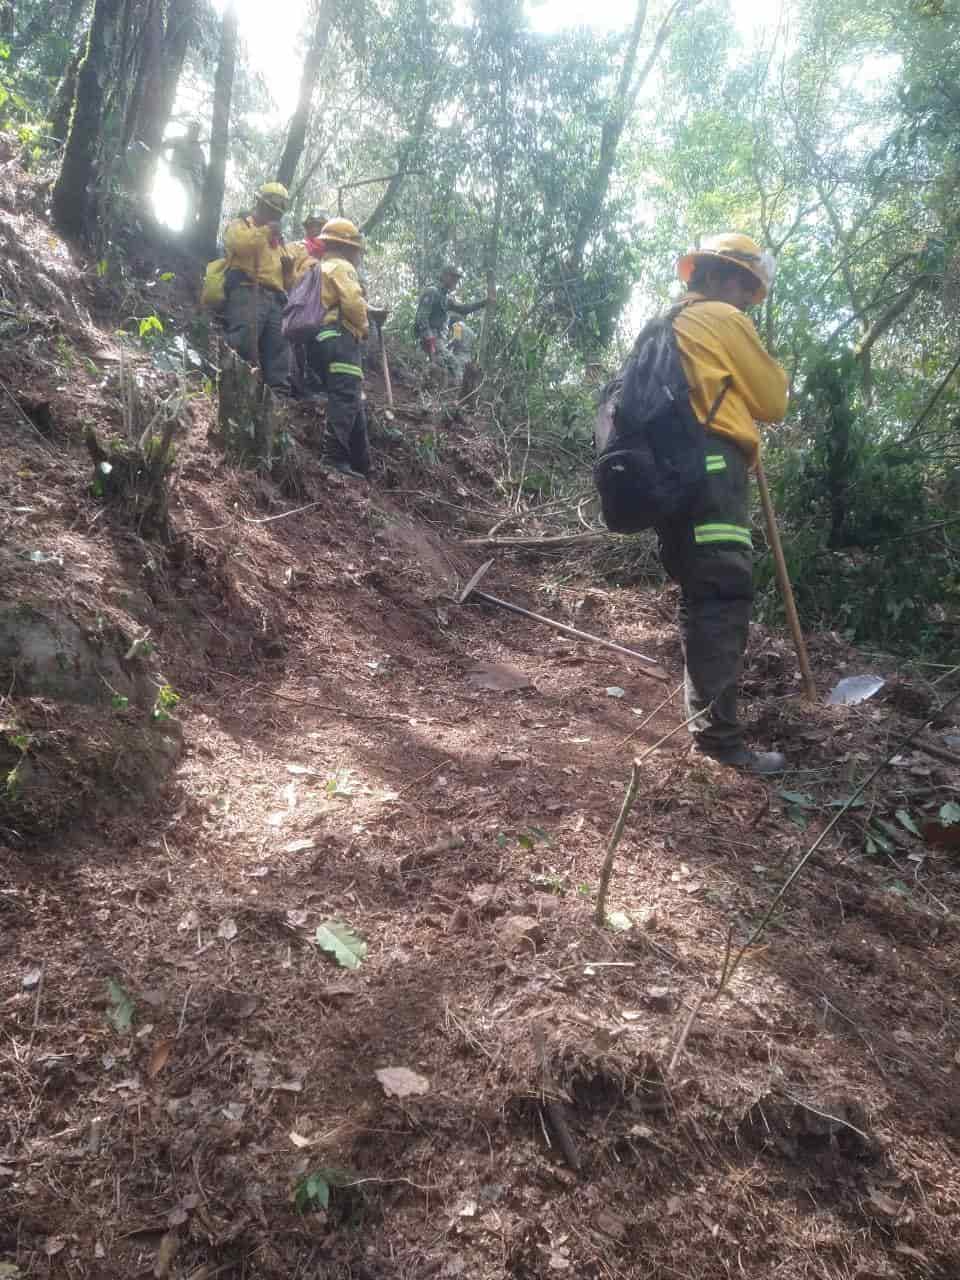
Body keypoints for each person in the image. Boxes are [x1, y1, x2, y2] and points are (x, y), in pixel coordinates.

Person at [660, 232, 789, 774]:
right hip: (713, 469)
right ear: (714, 276)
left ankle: (708, 725)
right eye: (743, 283)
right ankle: (720, 743)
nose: (746, 297)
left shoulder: (668, 324)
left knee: (701, 592)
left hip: (672, 474)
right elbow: (774, 400)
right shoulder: (722, 319)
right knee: (721, 592)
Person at [222, 182, 294, 395]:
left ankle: (278, 397)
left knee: (279, 351)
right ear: (259, 204)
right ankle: (234, 385)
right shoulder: (241, 225)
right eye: (271, 209)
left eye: (278, 212)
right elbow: (240, 246)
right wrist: (265, 232)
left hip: (276, 299)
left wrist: (289, 272)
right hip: (248, 290)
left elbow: (286, 282)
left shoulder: (279, 242)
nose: (274, 215)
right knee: (243, 339)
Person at [313, 217, 371, 478]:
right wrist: (364, 327)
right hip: (340, 337)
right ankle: (333, 458)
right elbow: (353, 304)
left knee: (353, 398)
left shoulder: (321, 266)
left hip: (323, 339)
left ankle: (361, 462)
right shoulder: (342, 267)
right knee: (346, 396)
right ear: (347, 247)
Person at [287, 212, 329, 398]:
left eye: (321, 225)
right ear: (307, 228)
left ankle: (316, 387)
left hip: (323, 310)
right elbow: (286, 275)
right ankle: (296, 387)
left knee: (318, 348)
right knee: (296, 345)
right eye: (313, 225)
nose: (317, 229)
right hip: (298, 304)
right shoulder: (296, 248)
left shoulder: (331, 256)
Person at [414, 267, 486, 368]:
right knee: (453, 366)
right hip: (429, 340)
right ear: (444, 276)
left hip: (438, 341)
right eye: (453, 278)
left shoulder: (445, 298)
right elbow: (421, 318)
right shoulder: (432, 292)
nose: (456, 281)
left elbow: (463, 309)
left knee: (442, 370)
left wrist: (483, 303)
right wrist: (429, 337)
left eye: (457, 279)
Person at [162, 122, 206, 230]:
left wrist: (202, 183)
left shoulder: (199, 150)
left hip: (196, 181)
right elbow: (163, 146)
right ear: (188, 129)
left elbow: (204, 170)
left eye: (196, 130)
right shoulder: (179, 140)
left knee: (198, 201)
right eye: (192, 129)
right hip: (180, 173)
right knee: (190, 196)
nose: (194, 132)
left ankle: (189, 228)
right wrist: (166, 161)